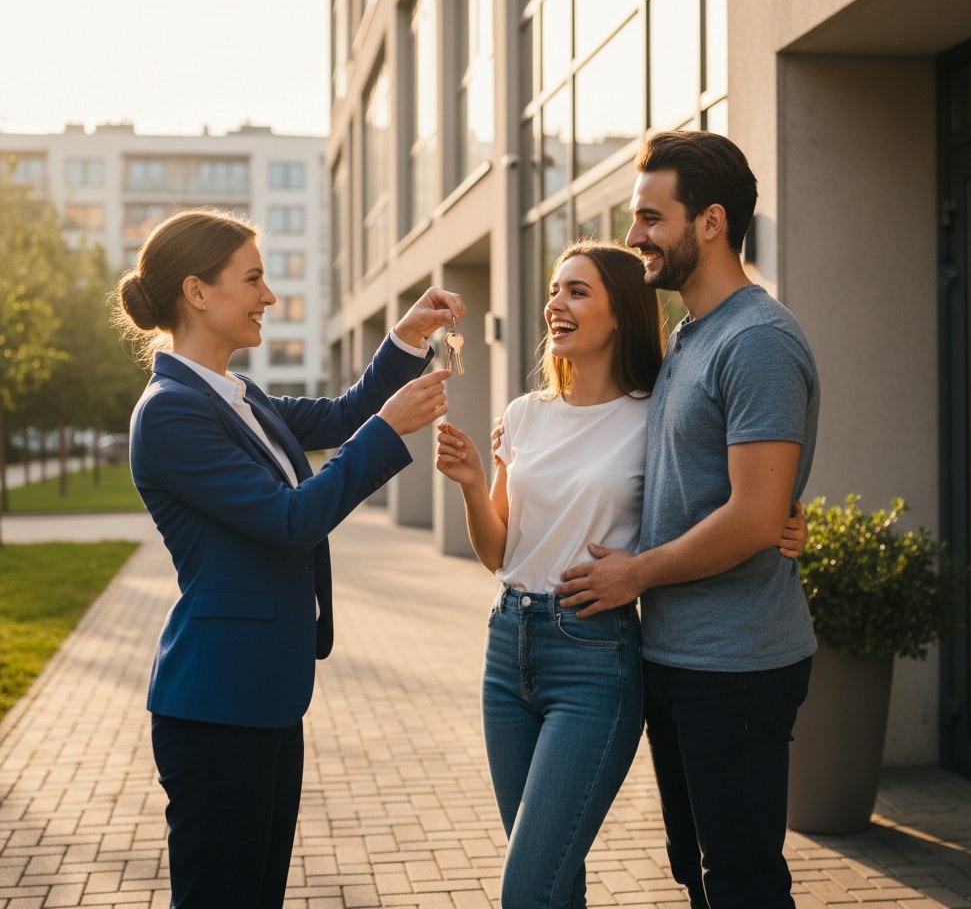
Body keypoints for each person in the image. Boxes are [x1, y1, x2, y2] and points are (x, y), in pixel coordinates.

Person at [435, 239, 806, 909]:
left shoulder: (653, 414)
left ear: (622, 314)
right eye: (554, 289)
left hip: (593, 655)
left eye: (578, 291)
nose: (556, 304)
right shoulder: (523, 416)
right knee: (554, 876)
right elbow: (500, 553)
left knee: (528, 889)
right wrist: (470, 482)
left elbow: (734, 490)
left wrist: (786, 517)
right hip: (505, 647)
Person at [114, 208, 460, 909]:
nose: (269, 297)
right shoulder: (171, 413)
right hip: (215, 709)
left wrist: (407, 336)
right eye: (254, 279)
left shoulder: (237, 397)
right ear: (198, 291)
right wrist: (388, 432)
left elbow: (342, 415)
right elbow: (289, 519)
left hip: (266, 697)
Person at [555, 132, 821, 909]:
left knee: (741, 882)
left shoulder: (758, 341)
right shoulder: (691, 338)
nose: (633, 235)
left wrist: (633, 573)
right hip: (675, 655)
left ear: (709, 222)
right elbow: (717, 491)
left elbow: (751, 516)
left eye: (648, 216)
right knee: (695, 872)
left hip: (738, 664)